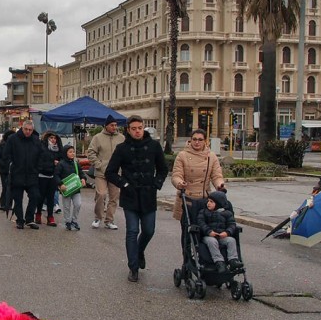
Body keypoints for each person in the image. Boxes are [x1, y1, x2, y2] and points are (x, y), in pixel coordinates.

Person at [105, 115, 168, 282]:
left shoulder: (154, 146)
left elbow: (163, 169)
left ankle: (139, 251)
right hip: (131, 195)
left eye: (140, 128)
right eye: (134, 128)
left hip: (148, 195)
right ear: (128, 130)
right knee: (132, 231)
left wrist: (156, 183)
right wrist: (124, 184)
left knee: (149, 230)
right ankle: (133, 267)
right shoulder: (122, 148)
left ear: (143, 128)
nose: (137, 131)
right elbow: (110, 172)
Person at [171, 128, 226, 252]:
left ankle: (203, 259)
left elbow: (217, 175)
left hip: (204, 200)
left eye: (200, 140)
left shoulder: (211, 157)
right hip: (187, 199)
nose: (197, 142)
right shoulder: (182, 155)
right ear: (190, 141)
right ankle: (187, 261)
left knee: (204, 231)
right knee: (187, 233)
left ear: (205, 141)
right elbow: (176, 175)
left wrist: (220, 185)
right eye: (194, 139)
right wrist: (180, 183)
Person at [5, 120, 44, 229]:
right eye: (26, 129)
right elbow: (6, 154)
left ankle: (29, 219)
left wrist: (38, 168)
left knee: (35, 196)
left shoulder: (36, 140)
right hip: (17, 174)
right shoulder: (13, 139)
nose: (28, 132)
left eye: (30, 130)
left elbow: (41, 155)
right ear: (22, 128)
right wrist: (11, 165)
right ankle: (20, 220)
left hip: (32, 174)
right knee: (18, 199)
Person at [87, 115, 123, 230]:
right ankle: (98, 217)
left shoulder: (121, 138)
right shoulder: (98, 137)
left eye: (116, 125)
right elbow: (91, 152)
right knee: (101, 194)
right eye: (112, 125)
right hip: (101, 173)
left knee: (114, 197)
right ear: (106, 126)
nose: (114, 127)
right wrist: (99, 165)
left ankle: (109, 220)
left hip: (116, 173)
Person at [197, 191, 242, 273]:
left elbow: (232, 224)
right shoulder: (204, 212)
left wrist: (227, 232)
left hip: (221, 236)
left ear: (218, 204)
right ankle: (219, 262)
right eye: (208, 201)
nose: (208, 203)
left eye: (211, 202)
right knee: (212, 241)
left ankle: (233, 260)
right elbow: (201, 223)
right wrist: (209, 231)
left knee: (231, 240)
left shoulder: (227, 213)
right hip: (208, 236)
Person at [54, 145, 86, 230]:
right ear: (65, 153)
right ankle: (67, 221)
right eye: (70, 152)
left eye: (73, 151)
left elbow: (81, 172)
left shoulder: (76, 163)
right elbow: (56, 175)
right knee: (66, 206)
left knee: (78, 204)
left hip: (76, 189)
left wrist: (83, 178)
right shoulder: (61, 164)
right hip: (66, 190)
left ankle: (74, 220)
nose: (72, 153)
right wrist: (60, 184)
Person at [35, 131, 63, 226]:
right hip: (42, 176)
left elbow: (61, 163)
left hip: (53, 176)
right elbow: (40, 163)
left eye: (54, 138)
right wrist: (52, 163)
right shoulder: (42, 148)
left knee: (51, 197)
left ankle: (50, 217)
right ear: (47, 138)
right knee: (41, 197)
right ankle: (38, 214)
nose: (53, 140)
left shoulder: (59, 150)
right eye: (51, 138)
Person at [0, 130, 14, 211]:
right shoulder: (1, 146)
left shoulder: (14, 146)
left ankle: (9, 204)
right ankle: (3, 204)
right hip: (4, 170)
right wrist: (4, 164)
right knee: (5, 187)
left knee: (12, 187)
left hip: (13, 170)